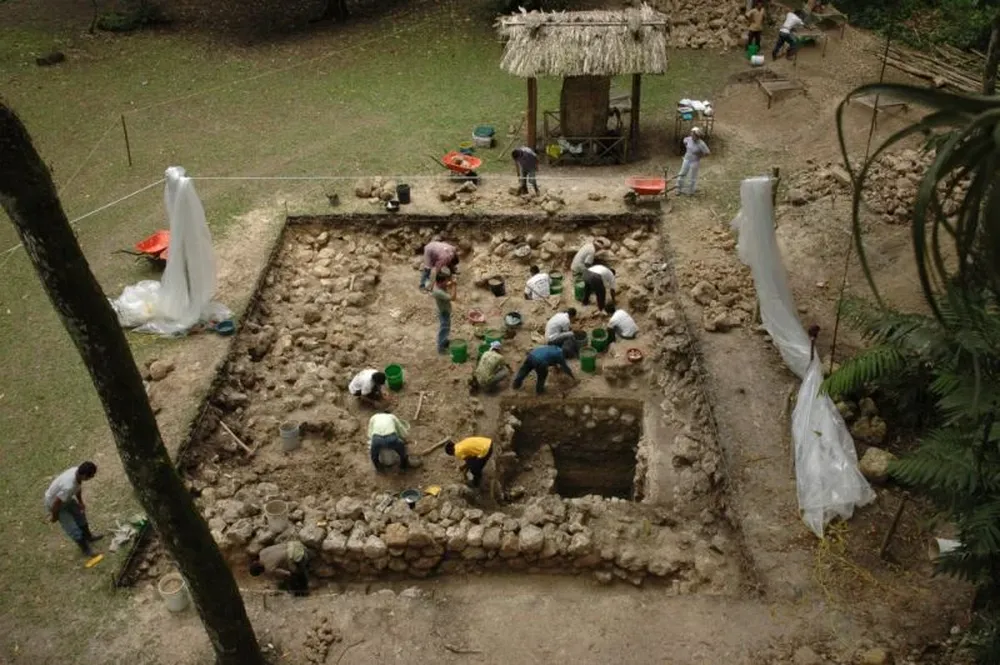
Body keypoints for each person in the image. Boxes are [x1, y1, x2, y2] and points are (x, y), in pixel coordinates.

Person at [44, 461, 102, 556]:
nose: (92, 478)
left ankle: (89, 537)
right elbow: (57, 503)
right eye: (90, 476)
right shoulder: (68, 486)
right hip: (55, 504)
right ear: (83, 475)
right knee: (72, 528)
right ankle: (86, 550)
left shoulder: (77, 472)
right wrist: (55, 516)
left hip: (66, 499)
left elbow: (78, 488)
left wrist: (80, 502)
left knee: (80, 515)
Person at [512, 345, 577, 395]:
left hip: (532, 355)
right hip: (540, 361)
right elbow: (566, 368)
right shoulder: (561, 356)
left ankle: (516, 384)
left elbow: (552, 358)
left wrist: (556, 367)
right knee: (542, 376)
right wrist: (573, 377)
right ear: (566, 355)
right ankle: (539, 391)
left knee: (524, 370)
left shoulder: (556, 348)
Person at [676, 127, 710, 196]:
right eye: (692, 134)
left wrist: (700, 155)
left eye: (695, 135)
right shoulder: (688, 139)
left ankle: (690, 191)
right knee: (682, 173)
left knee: (692, 176)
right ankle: (678, 189)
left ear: (698, 136)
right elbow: (684, 141)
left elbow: (707, 153)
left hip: (694, 162)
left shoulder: (701, 144)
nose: (693, 136)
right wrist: (687, 148)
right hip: (686, 159)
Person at [432, 268, 457, 354]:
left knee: (446, 328)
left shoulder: (437, 284)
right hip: (443, 312)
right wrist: (454, 285)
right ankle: (441, 349)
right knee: (444, 329)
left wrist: (450, 283)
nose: (447, 283)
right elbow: (453, 298)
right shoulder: (438, 292)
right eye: (445, 282)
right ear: (440, 282)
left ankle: (444, 341)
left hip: (444, 309)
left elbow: (446, 284)